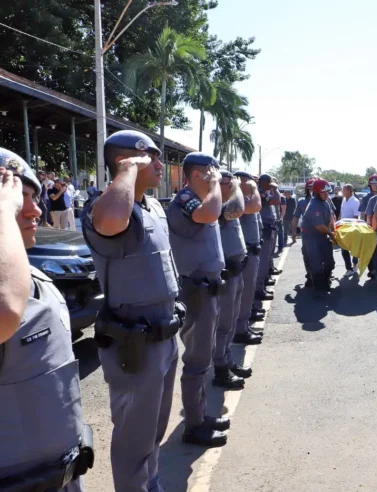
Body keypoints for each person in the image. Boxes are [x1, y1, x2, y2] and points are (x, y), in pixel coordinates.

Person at [81, 130, 182, 490]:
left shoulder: (152, 206)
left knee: (153, 431)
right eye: (149, 157)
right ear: (126, 161)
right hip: (135, 346)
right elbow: (110, 222)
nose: (158, 164)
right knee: (134, 441)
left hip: (165, 337)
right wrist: (126, 172)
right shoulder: (105, 206)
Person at [0, 149, 93, 491]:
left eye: (34, 197)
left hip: (60, 474)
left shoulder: (32, 274)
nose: (35, 209)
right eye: (16, 197)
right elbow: (5, 312)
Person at [167, 152, 231, 447]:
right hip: (196, 291)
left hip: (209, 289)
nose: (214, 176)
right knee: (196, 359)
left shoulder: (203, 201)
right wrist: (216, 184)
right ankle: (194, 426)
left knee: (204, 357)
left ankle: (199, 415)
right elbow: (210, 214)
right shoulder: (185, 201)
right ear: (197, 174)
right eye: (210, 171)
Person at [213, 170, 262, 393]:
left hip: (236, 267)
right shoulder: (219, 205)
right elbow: (242, 208)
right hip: (224, 272)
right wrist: (246, 187)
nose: (232, 186)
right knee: (222, 325)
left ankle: (227, 360)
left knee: (229, 323)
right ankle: (220, 367)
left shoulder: (228, 201)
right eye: (227, 182)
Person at [234, 171, 266, 327]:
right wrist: (254, 190)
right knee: (244, 290)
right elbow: (254, 207)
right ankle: (241, 326)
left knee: (249, 288)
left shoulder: (248, 198)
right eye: (249, 182)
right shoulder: (237, 199)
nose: (252, 184)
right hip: (244, 252)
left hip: (252, 249)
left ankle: (246, 318)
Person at [301, 178, 336, 297]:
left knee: (329, 262)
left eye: (328, 192)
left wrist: (334, 228)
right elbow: (319, 225)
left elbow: (331, 215)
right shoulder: (314, 205)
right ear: (316, 192)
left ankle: (325, 281)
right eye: (323, 192)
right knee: (315, 264)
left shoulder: (326, 202)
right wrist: (331, 234)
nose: (326, 194)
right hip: (311, 237)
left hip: (322, 235)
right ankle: (319, 288)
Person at [256, 174, 281, 301]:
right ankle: (259, 288)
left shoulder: (264, 192)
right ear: (263, 182)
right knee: (263, 259)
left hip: (269, 227)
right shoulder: (260, 192)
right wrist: (275, 189)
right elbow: (277, 200)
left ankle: (262, 284)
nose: (270, 185)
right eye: (269, 183)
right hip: (264, 229)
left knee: (266, 258)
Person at [293, 178, 315, 286]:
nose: (312, 190)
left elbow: (331, 216)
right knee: (307, 255)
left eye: (314, 188)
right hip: (306, 233)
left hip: (321, 233)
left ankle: (324, 275)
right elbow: (296, 218)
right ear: (307, 189)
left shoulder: (326, 200)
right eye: (310, 188)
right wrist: (293, 233)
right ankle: (310, 275)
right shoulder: (302, 202)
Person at [339, 184, 361, 273]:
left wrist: (351, 228)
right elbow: (341, 212)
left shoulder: (355, 201)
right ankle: (348, 268)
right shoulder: (344, 199)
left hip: (352, 228)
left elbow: (356, 216)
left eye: (344, 190)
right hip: (342, 227)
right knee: (343, 249)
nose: (342, 191)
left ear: (349, 191)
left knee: (354, 249)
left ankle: (355, 263)